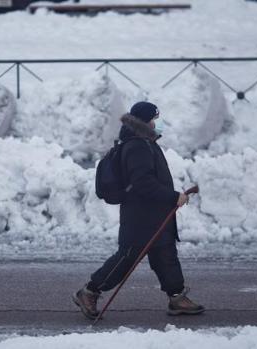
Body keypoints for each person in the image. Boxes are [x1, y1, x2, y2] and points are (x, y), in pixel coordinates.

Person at [73, 102, 205, 320]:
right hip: (140, 217)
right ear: (145, 121)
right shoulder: (137, 146)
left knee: (166, 255)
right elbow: (143, 183)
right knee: (125, 258)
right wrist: (174, 197)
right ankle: (88, 292)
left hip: (154, 214)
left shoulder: (145, 143)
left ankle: (176, 297)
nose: (159, 121)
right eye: (156, 117)